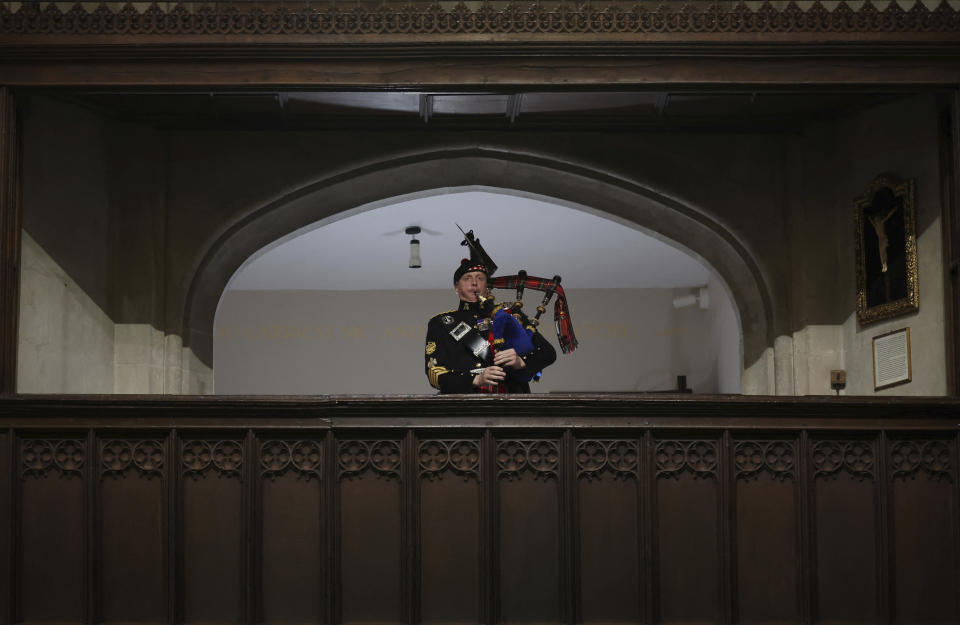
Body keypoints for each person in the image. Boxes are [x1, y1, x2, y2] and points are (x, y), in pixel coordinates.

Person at [424, 258, 556, 393]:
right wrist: (475, 379)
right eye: (467, 278)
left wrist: (521, 361)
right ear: (456, 287)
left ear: (486, 285)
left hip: (512, 403)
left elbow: (547, 352)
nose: (474, 283)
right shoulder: (440, 322)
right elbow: (434, 372)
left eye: (480, 278)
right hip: (463, 405)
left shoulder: (509, 314)